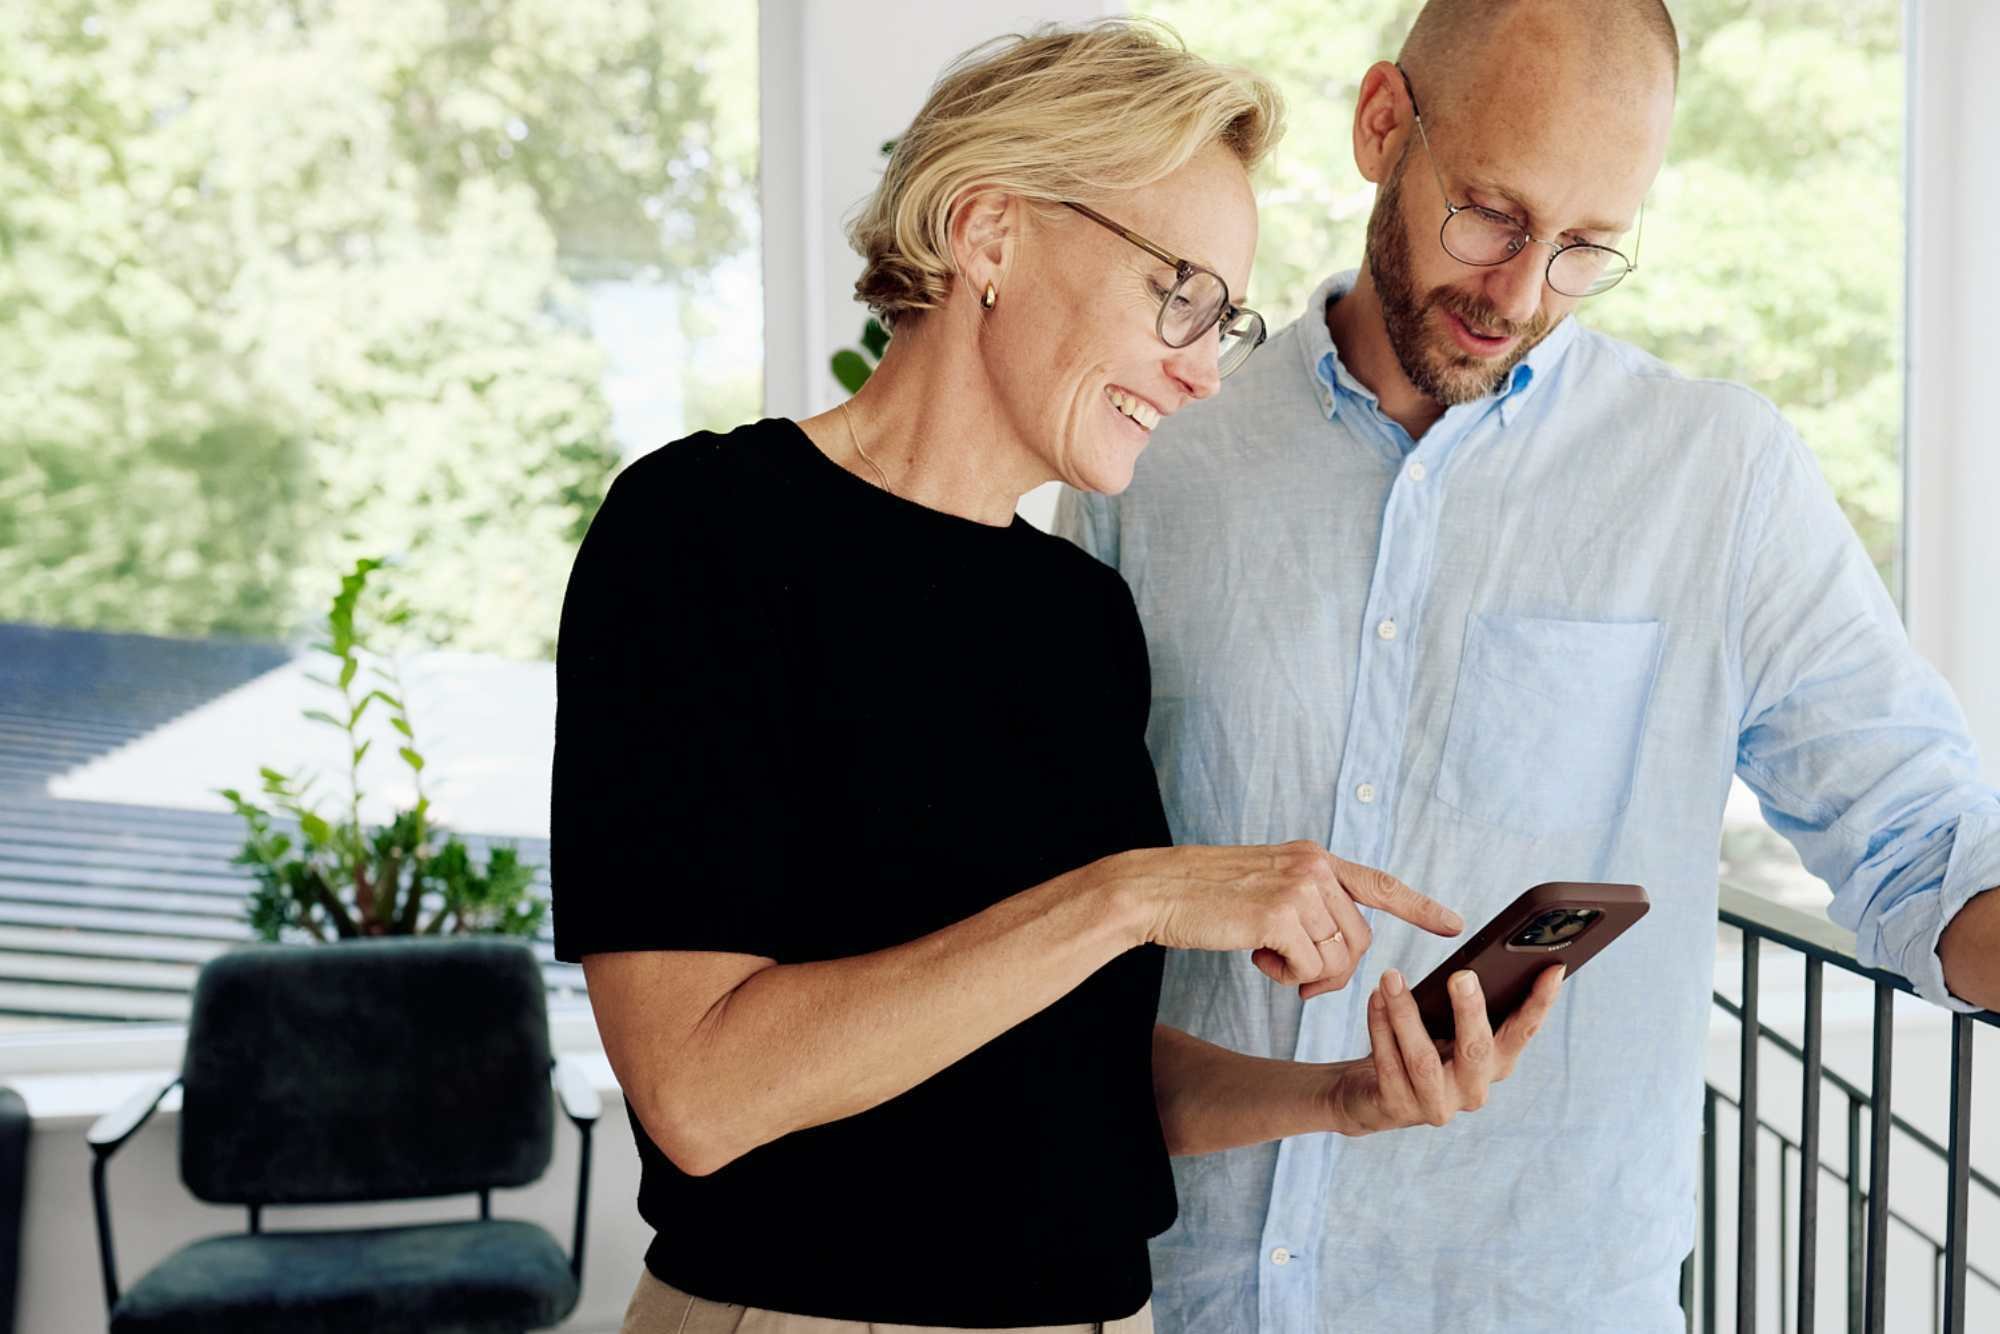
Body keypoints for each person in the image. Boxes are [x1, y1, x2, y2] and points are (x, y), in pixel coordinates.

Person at [550, 21, 1565, 1334]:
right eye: (1180, 290)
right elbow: (700, 1090)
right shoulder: (702, 535)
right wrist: (1137, 893)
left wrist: (1333, 1100)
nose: (1204, 371)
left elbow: (1060, 1076)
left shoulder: (1078, 616)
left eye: (1226, 320)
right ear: (989, 231)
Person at [1057, 2, 2000, 1331]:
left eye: (1584, 250)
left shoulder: (1717, 478)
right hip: (1176, 1295)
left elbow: (1921, 842)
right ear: (1384, 126)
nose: (1519, 293)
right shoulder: (1160, 446)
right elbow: (1056, 903)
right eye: (1491, 215)